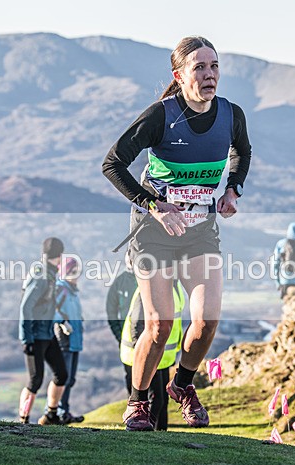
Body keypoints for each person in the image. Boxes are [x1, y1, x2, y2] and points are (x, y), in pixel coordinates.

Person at [102, 35, 251, 431]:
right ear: (180, 75)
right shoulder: (161, 116)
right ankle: (137, 402)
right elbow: (113, 164)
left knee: (207, 320)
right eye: (199, 67)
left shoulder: (231, 115)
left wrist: (233, 189)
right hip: (153, 232)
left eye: (214, 66)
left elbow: (242, 151)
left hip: (199, 230)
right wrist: (155, 206)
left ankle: (182, 385)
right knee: (160, 325)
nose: (209, 74)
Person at [120, 279, 185, 430]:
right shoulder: (152, 288)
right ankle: (142, 430)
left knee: (162, 401)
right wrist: (145, 356)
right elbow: (137, 324)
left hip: (163, 358)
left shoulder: (174, 287)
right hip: (144, 357)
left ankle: (160, 433)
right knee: (155, 400)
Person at [18, 237, 68, 425]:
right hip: (35, 336)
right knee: (35, 380)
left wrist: (60, 321)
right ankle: (23, 420)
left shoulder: (50, 274)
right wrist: (26, 338)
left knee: (61, 374)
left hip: (47, 333)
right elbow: (26, 307)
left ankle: (50, 416)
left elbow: (46, 307)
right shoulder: (41, 276)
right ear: (59, 256)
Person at [48, 256, 85, 424]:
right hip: (64, 339)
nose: (76, 274)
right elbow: (51, 310)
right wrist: (63, 322)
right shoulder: (60, 288)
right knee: (63, 377)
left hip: (75, 339)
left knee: (70, 379)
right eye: (72, 271)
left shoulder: (73, 291)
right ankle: (56, 411)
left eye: (77, 271)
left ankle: (64, 411)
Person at [105, 253, 138, 390]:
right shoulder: (119, 282)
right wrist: (120, 336)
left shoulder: (150, 279)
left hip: (149, 335)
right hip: (127, 340)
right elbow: (111, 312)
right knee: (131, 376)